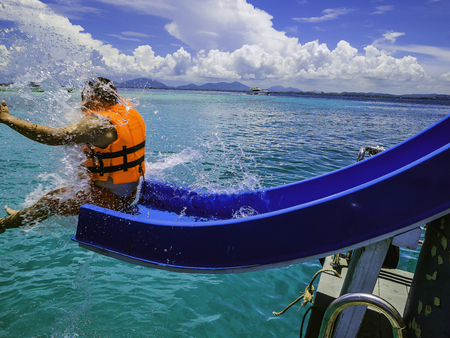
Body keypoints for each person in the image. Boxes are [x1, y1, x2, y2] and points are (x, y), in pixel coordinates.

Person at [0, 77, 146, 232]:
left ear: (94, 97)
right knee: (67, 187)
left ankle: (3, 224)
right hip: (128, 194)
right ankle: (21, 215)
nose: (82, 103)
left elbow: (54, 136)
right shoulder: (129, 113)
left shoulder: (99, 125)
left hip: (110, 200)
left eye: (84, 98)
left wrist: (8, 119)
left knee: (49, 203)